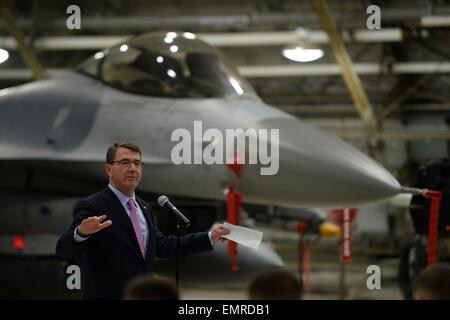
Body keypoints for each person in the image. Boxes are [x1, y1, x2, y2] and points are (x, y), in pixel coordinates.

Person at [56, 142, 229, 299]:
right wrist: (81, 233)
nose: (132, 168)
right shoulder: (92, 205)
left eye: (137, 163)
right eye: (125, 162)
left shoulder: (144, 207)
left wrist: (210, 237)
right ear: (109, 169)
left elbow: (163, 247)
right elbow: (63, 249)